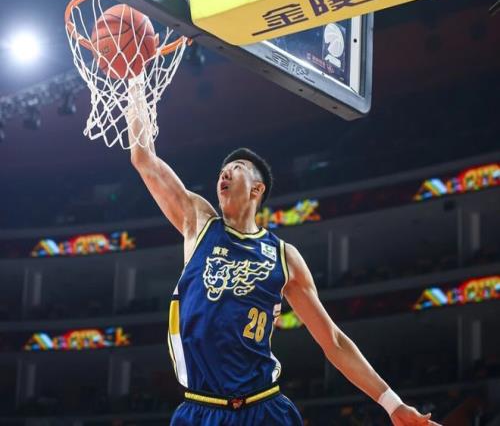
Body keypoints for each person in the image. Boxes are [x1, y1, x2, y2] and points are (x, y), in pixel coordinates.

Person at [127, 84, 441, 426]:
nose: (225, 173)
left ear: (257, 188)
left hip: (264, 407)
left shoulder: (283, 256)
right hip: (201, 408)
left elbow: (333, 341)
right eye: (222, 171)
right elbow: (145, 160)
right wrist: (135, 80)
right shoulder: (199, 222)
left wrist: (393, 404)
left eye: (237, 167)